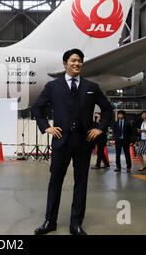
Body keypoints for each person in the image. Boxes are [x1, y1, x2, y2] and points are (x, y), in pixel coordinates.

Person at [32, 48, 113, 236]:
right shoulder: (53, 86)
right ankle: (49, 221)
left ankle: (76, 223)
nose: (77, 64)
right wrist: (46, 127)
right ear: (65, 63)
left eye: (80, 61)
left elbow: (108, 110)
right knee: (55, 181)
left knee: (81, 182)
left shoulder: (91, 87)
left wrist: (99, 129)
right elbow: (38, 108)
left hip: (84, 142)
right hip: (61, 141)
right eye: (73, 60)